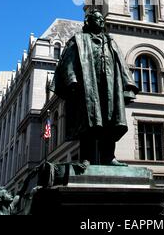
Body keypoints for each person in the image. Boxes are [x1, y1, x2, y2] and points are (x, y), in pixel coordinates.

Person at [52, 9, 138, 166]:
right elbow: (68, 63)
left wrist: (127, 87)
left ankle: (109, 157)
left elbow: (121, 64)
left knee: (110, 122)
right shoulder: (79, 40)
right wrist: (72, 80)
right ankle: (87, 158)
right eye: (97, 19)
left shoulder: (110, 41)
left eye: (101, 19)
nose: (101, 21)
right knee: (90, 123)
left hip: (110, 86)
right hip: (88, 86)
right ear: (88, 22)